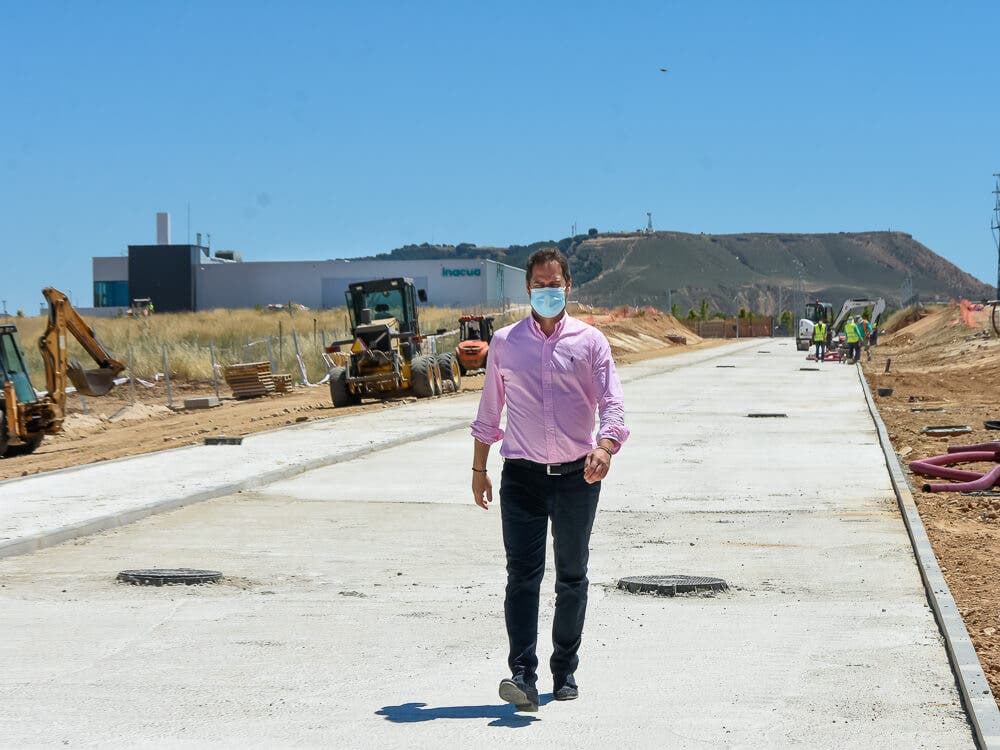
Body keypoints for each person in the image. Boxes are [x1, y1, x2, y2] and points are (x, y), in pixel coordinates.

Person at [470, 247, 629, 712]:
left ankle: (565, 669)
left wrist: (606, 447)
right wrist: (479, 470)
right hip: (521, 476)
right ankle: (522, 674)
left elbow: (612, 405)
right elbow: (488, 413)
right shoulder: (504, 342)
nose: (546, 291)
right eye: (538, 284)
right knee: (522, 576)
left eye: (553, 283)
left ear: (568, 286)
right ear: (527, 288)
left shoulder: (591, 342)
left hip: (579, 475)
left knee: (572, 576)